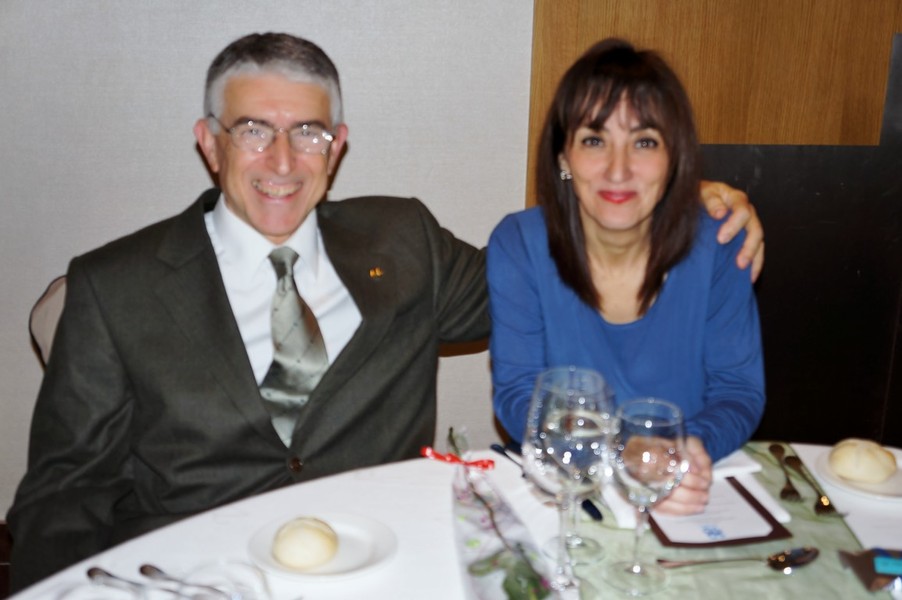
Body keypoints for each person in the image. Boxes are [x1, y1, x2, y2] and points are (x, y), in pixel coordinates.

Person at [8, 33, 761, 590]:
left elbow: (558, 272)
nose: (282, 161)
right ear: (210, 143)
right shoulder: (115, 286)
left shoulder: (404, 242)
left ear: (336, 147)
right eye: (253, 130)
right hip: (190, 574)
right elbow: (62, 494)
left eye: (307, 132)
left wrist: (681, 200)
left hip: (388, 567)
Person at [488, 39, 765, 516]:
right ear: (563, 157)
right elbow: (517, 396)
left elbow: (738, 392)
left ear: (674, 157)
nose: (618, 170)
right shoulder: (520, 245)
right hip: (566, 489)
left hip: (684, 487)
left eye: (644, 142)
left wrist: (681, 450)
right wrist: (625, 452)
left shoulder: (720, 243)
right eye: (594, 140)